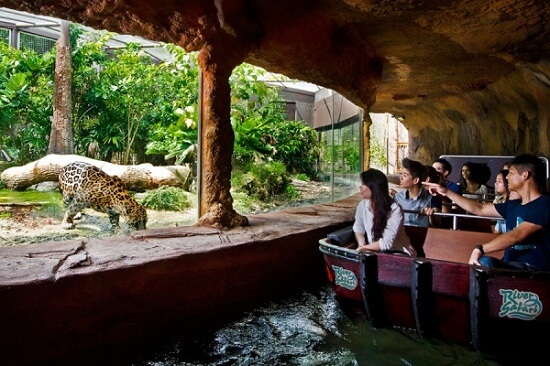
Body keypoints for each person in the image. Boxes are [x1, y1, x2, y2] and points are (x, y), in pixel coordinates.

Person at [423, 154, 550, 270]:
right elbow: (479, 208)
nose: (507, 177)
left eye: (510, 173)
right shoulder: (513, 205)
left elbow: (518, 235)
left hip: (533, 269)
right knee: (484, 263)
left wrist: (480, 249)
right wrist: (445, 192)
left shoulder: (544, 204)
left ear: (525, 175)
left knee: (484, 261)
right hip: (511, 265)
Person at [353, 168, 417, 256]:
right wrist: (362, 244)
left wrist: (363, 248)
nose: (360, 187)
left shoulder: (395, 209)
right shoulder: (362, 205)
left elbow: (386, 243)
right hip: (375, 252)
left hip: (399, 253)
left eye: (363, 184)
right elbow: (358, 228)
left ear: (374, 187)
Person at [394, 158, 441, 227]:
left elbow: (437, 224)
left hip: (424, 235)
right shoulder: (398, 197)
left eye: (404, 175)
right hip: (402, 234)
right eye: (401, 174)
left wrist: (431, 215)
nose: (400, 178)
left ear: (416, 180)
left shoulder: (432, 197)